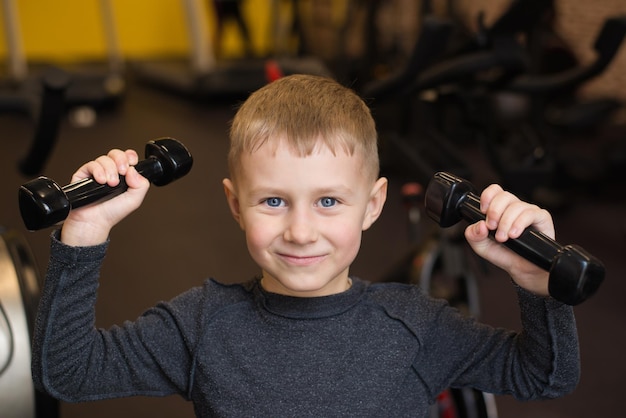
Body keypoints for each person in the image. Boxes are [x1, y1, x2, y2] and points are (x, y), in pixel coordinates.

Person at [31, 74, 579, 417]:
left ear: (372, 204)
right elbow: (68, 374)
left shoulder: (417, 326)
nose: (299, 231)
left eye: (328, 202)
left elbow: (545, 376)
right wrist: (84, 233)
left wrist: (538, 285)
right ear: (234, 203)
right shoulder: (201, 324)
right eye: (272, 202)